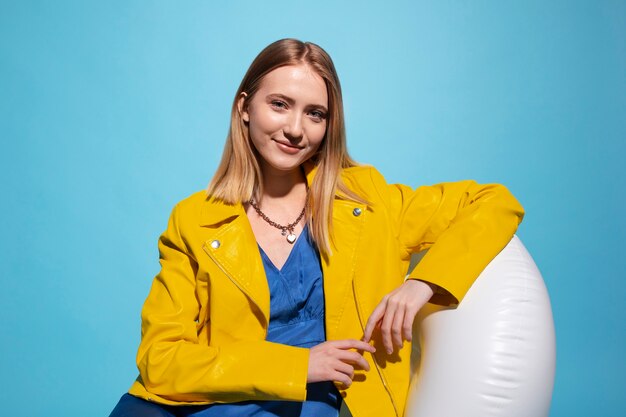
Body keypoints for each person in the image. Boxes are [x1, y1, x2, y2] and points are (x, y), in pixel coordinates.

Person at [109, 38, 524, 417]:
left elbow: (494, 202)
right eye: (279, 104)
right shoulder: (194, 219)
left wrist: (422, 285)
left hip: (312, 406)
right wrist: (301, 365)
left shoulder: (368, 200)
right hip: (200, 404)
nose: (295, 129)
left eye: (315, 114)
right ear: (244, 109)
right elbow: (160, 358)